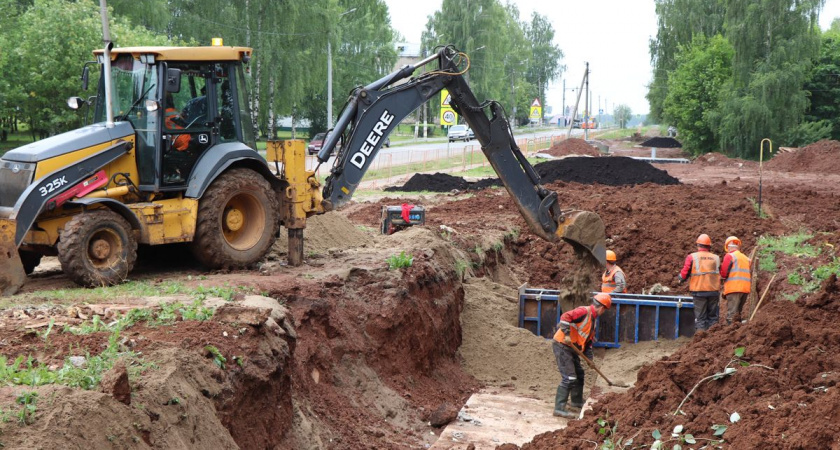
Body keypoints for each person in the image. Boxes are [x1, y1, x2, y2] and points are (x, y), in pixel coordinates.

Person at [551, 293, 612, 419]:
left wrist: (590, 360)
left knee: (579, 374)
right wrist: (567, 334)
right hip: (562, 345)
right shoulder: (583, 311)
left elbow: (587, 342)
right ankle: (559, 408)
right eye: (604, 310)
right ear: (602, 308)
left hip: (572, 348)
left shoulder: (593, 320)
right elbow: (565, 317)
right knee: (569, 378)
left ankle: (576, 401)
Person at [678, 234, 721, 331]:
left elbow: (684, 273)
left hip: (699, 291)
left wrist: (680, 278)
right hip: (713, 291)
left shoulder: (692, 257)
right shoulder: (716, 258)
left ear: (698, 245)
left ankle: (701, 341)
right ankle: (713, 338)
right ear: (709, 246)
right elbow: (721, 272)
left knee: (701, 318)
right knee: (713, 317)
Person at [720, 236, 751, 325]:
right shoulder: (746, 258)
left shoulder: (729, 256)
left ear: (728, 247)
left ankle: (730, 334)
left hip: (734, 289)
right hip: (745, 289)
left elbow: (724, 273)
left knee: (732, 315)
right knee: (738, 314)